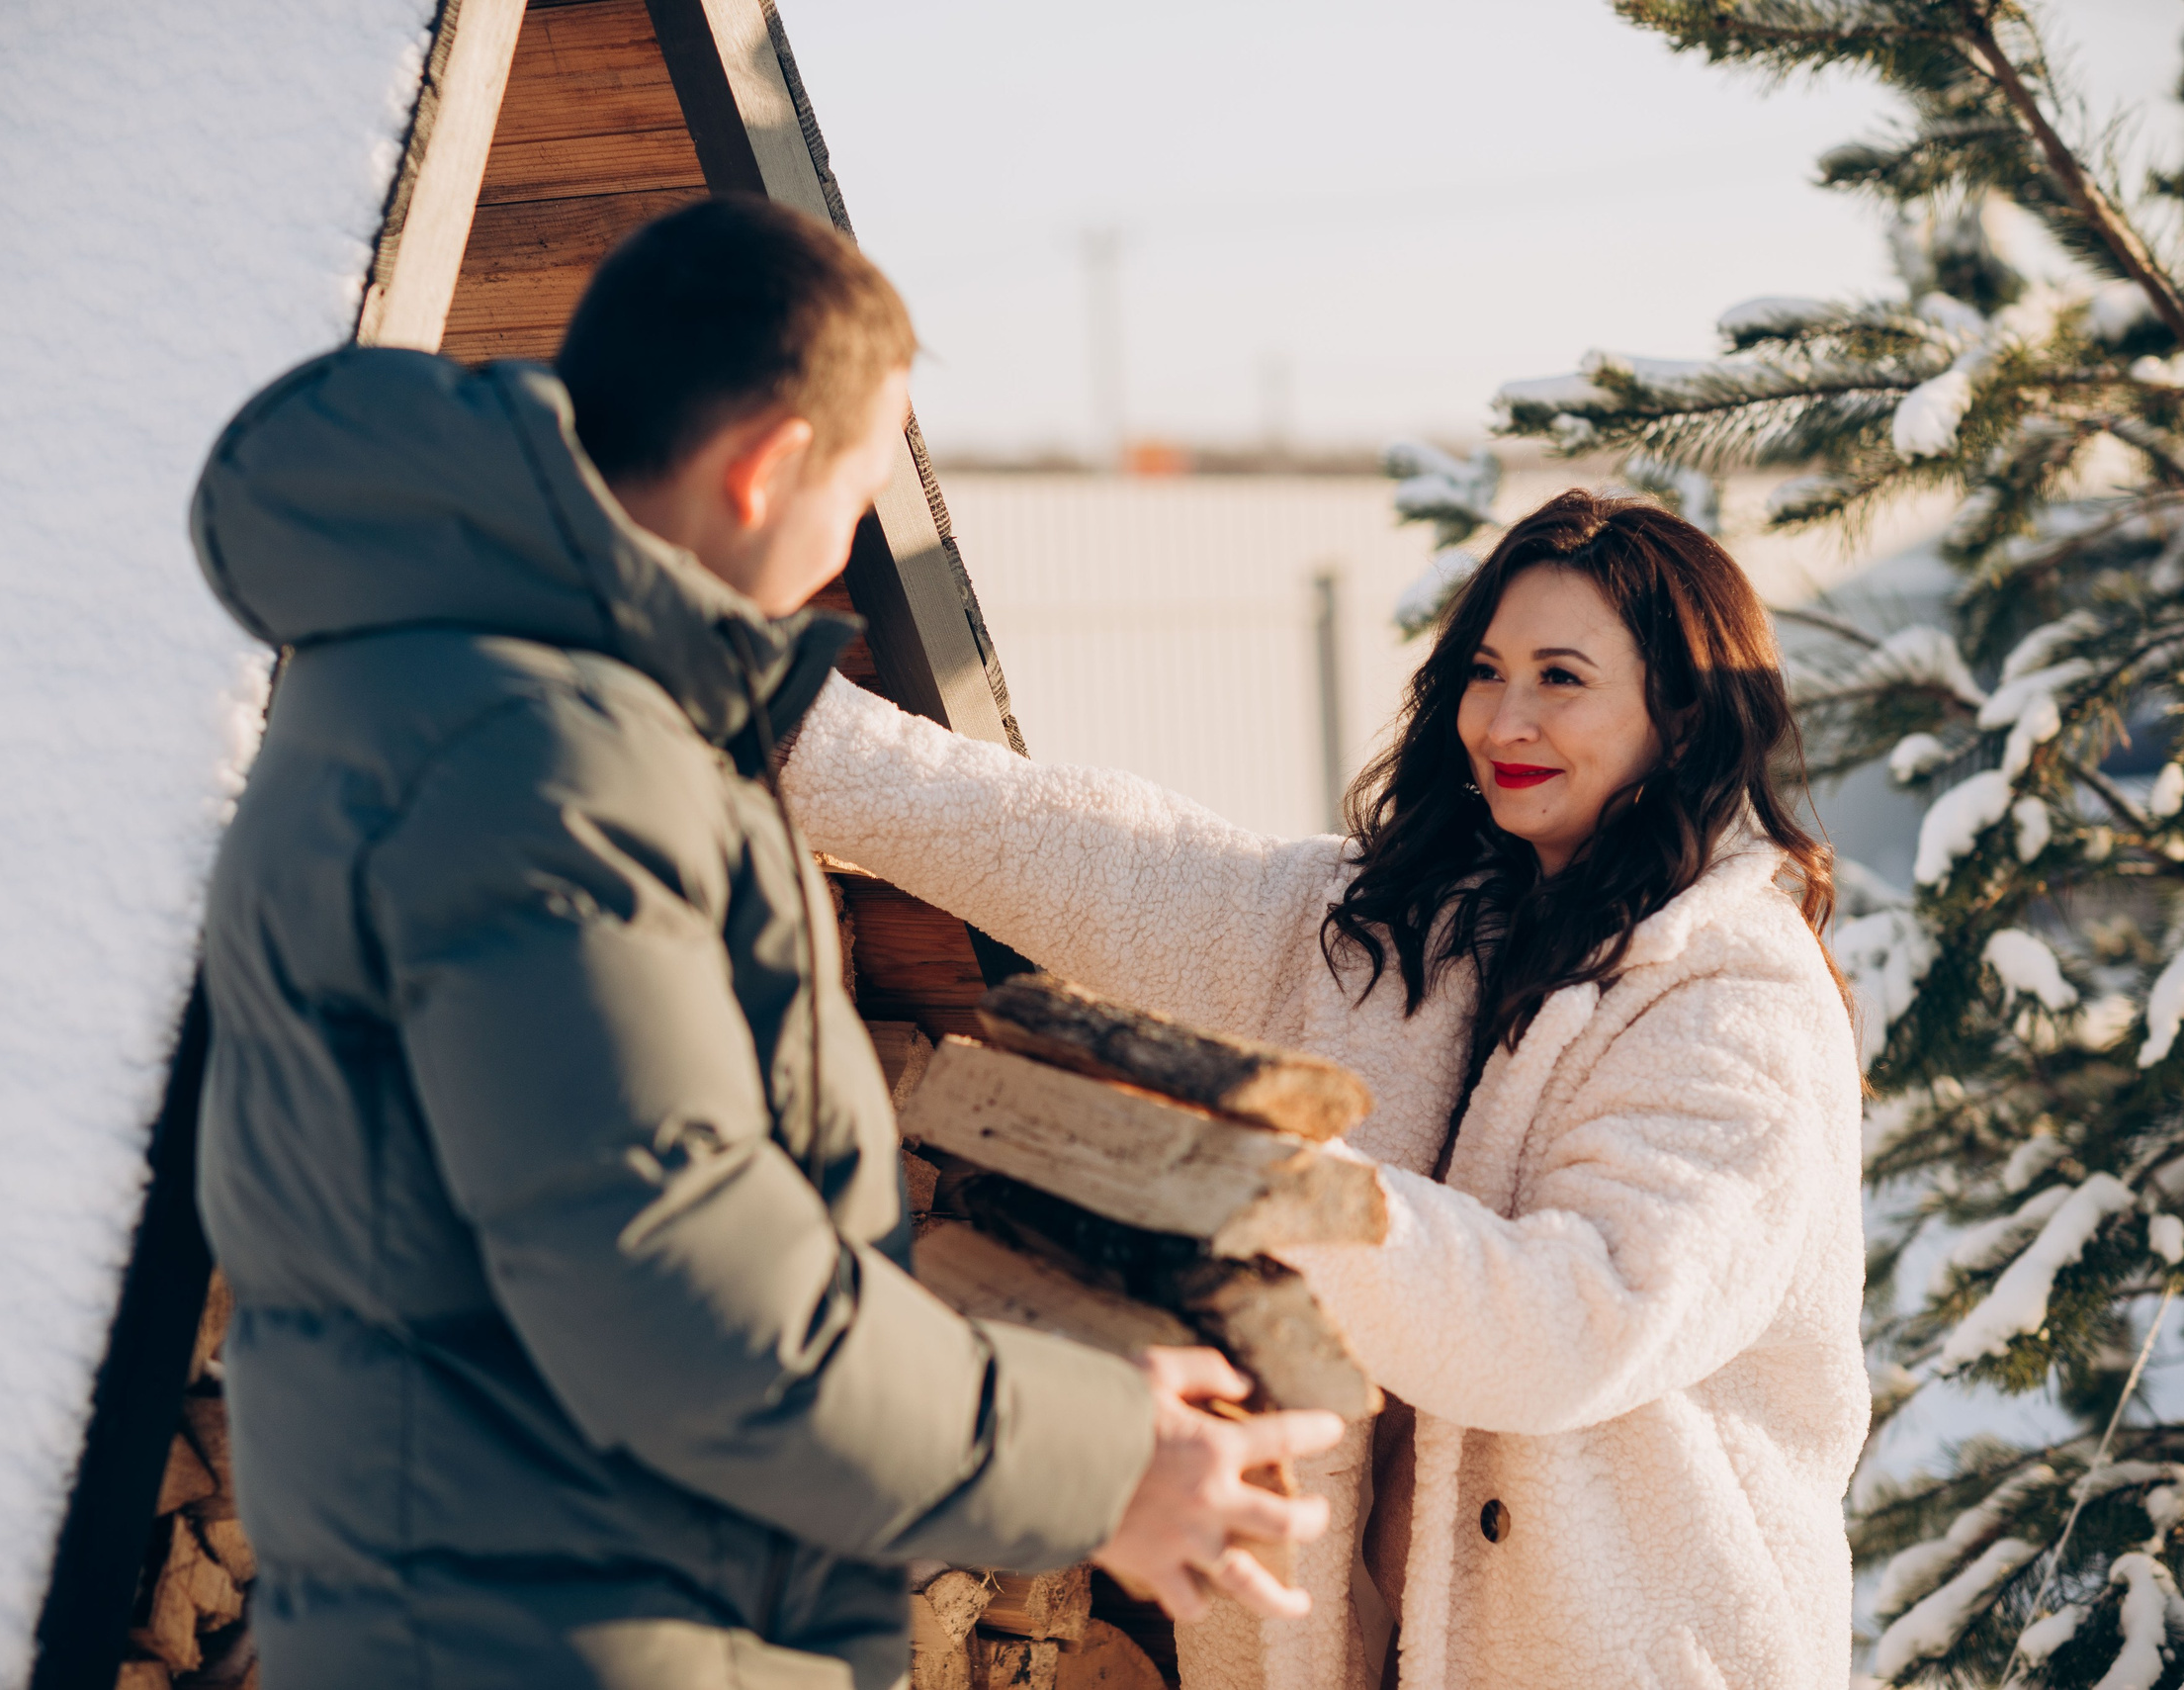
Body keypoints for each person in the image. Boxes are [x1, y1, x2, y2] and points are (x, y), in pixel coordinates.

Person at [186, 195, 1340, 1690]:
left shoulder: (481, 700)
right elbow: (683, 1287)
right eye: (861, 485)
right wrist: (1104, 1460)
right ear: (770, 466)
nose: (852, 535)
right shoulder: (545, 767)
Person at [780, 489, 1868, 1690]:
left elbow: (1580, 1322)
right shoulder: (1400, 928)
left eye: (1562, 676)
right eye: (1486, 670)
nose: (1504, 717)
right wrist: (775, 720)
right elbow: (1093, 854)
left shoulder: (1735, 998)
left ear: (1684, 714)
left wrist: (1282, 1186)